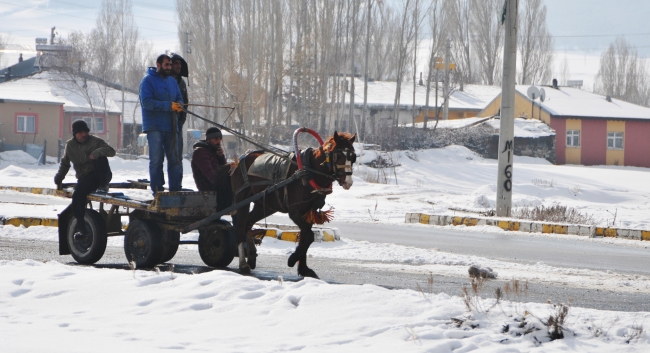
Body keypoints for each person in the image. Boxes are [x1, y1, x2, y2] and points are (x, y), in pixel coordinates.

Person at [54, 120, 115, 237]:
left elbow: (111, 151)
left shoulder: (95, 141)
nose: (83, 134)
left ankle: (103, 186)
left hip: (101, 174)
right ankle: (81, 227)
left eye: (85, 132)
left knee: (101, 158)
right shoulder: (70, 145)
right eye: (80, 132)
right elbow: (65, 163)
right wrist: (59, 177)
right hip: (86, 178)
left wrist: (97, 152)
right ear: (75, 134)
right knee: (77, 195)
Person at [139, 53, 184, 194]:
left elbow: (179, 98)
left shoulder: (172, 81)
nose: (170, 67)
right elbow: (146, 102)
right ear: (158, 65)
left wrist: (179, 106)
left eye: (170, 65)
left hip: (172, 126)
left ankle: (175, 189)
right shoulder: (147, 81)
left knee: (175, 160)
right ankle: (158, 190)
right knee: (157, 160)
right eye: (167, 65)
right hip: (155, 126)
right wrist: (168, 106)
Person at [191, 127, 234, 212]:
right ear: (208, 140)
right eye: (216, 139)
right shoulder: (201, 152)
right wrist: (224, 186)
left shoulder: (213, 152)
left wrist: (221, 157)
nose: (219, 142)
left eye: (220, 139)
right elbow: (209, 173)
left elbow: (222, 171)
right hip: (208, 189)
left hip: (215, 188)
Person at [170, 53, 188, 159]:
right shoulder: (163, 80)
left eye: (180, 64)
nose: (179, 66)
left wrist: (182, 120)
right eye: (176, 63)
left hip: (177, 123)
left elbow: (185, 103)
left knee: (177, 156)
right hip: (163, 123)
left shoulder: (182, 83)